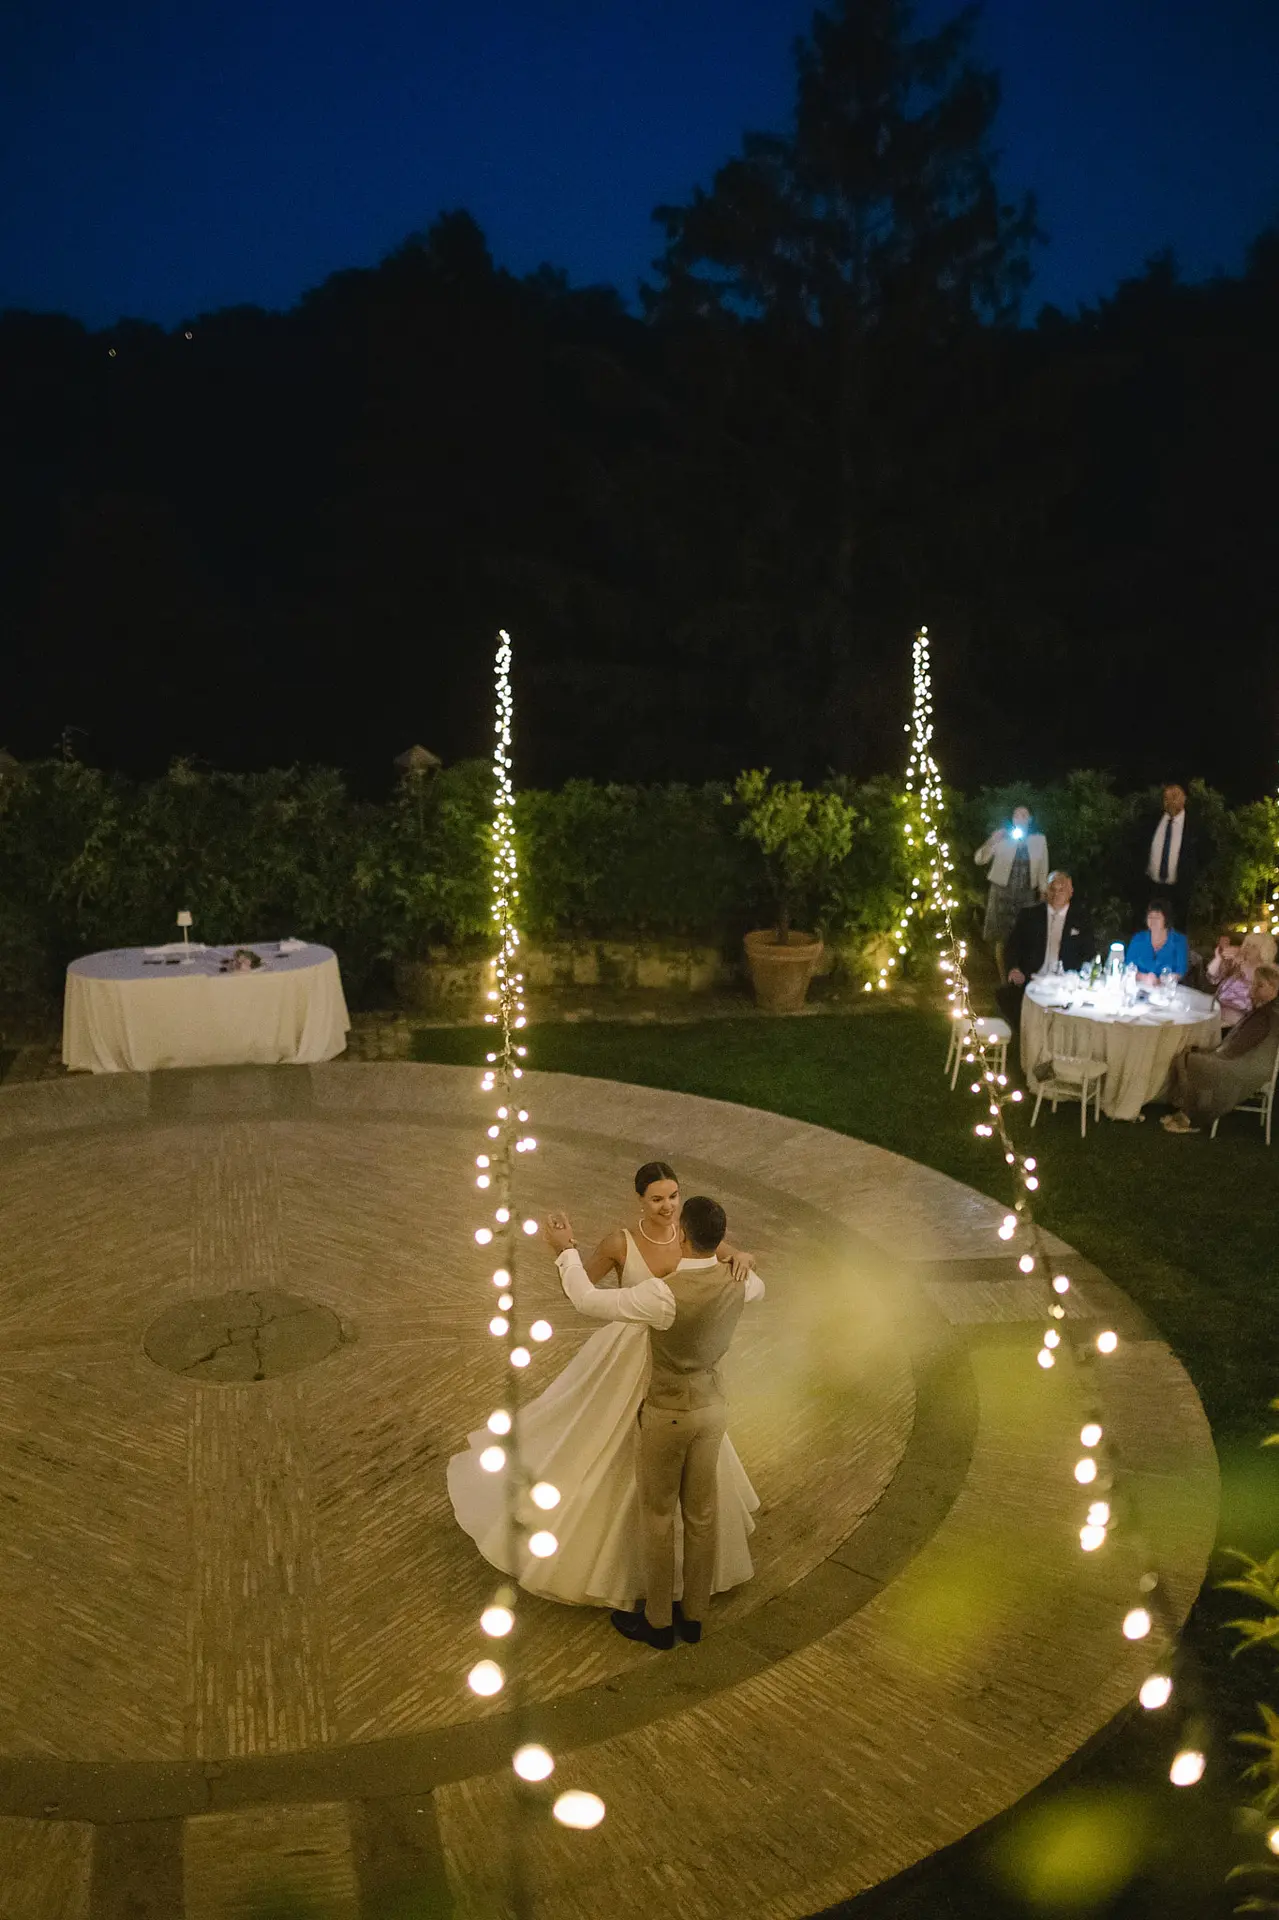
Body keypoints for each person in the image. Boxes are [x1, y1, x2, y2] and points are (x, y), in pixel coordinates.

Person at [447, 1162, 759, 1612]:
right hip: (629, 1358)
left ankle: (659, 1599)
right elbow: (584, 1292)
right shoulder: (619, 1243)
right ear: (640, 1201)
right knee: (607, 1445)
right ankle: (671, 1597)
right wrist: (566, 1251)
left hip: (671, 1369)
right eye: (657, 1198)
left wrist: (745, 1257)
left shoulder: (688, 1234)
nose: (667, 1206)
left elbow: (729, 1260)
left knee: (671, 1475)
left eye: (673, 1196)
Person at [545, 1193, 764, 1650]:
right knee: (702, 1514)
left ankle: (659, 1622)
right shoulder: (743, 1283)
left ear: (683, 1233)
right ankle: (695, 1618)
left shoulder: (662, 1296)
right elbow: (756, 1282)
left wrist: (564, 1249)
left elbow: (586, 1300)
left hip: (668, 1414)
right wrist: (743, 1259)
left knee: (659, 1515)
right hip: (713, 1408)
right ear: (720, 1240)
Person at [1161, 963, 1279, 1133]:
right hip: (1241, 1060)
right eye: (1254, 984)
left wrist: (1212, 1054)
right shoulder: (1265, 1010)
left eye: (1260, 986)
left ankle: (1191, 1118)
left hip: (1243, 1068)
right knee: (1188, 1055)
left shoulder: (1265, 1016)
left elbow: (1237, 1048)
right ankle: (1185, 1110)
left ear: (1274, 990)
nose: (1253, 989)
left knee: (1188, 1059)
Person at [996, 870, 1094, 1029]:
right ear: (1045, 891)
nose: (1056, 894)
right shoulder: (1030, 915)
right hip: (1033, 976)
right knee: (1008, 999)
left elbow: (1089, 952)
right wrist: (1014, 968)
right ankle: (1028, 1038)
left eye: (1061, 889)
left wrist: (1078, 977)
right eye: (1052, 889)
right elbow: (1012, 946)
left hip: (1065, 981)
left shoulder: (1081, 918)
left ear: (1070, 892)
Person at [975, 805, 1050, 980]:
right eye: (1016, 815)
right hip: (1002, 894)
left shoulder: (1039, 840)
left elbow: (1043, 869)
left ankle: (1021, 980)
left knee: (1024, 938)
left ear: (1030, 819)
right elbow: (979, 859)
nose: (1020, 818)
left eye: (1024, 815)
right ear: (1013, 819)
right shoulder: (1002, 837)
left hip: (1026, 896)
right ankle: (1004, 981)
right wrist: (992, 840)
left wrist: (1043, 891)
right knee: (1002, 939)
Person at [1138, 783, 1200, 932]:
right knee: (1149, 926)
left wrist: (1191, 875)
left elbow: (1201, 854)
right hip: (1152, 885)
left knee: (1176, 929)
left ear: (1184, 799)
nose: (1170, 802)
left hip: (1178, 888)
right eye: (1166, 798)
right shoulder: (1152, 820)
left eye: (1174, 797)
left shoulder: (1194, 826)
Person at [1209, 930, 1277, 1029]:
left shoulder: (1268, 970)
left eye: (1254, 947)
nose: (1248, 948)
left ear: (1264, 951)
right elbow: (1212, 978)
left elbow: (1263, 993)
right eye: (1247, 944)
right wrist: (1218, 958)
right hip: (1219, 1005)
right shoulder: (1238, 962)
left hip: (1242, 1015)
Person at [1127, 899, 1189, 983]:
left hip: (1166, 988)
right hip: (1139, 985)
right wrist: (1144, 977)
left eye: (1157, 917)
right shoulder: (1138, 938)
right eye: (1150, 917)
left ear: (1166, 919)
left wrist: (1160, 981)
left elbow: (1180, 972)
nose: (1153, 921)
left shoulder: (1179, 941)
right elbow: (1127, 966)